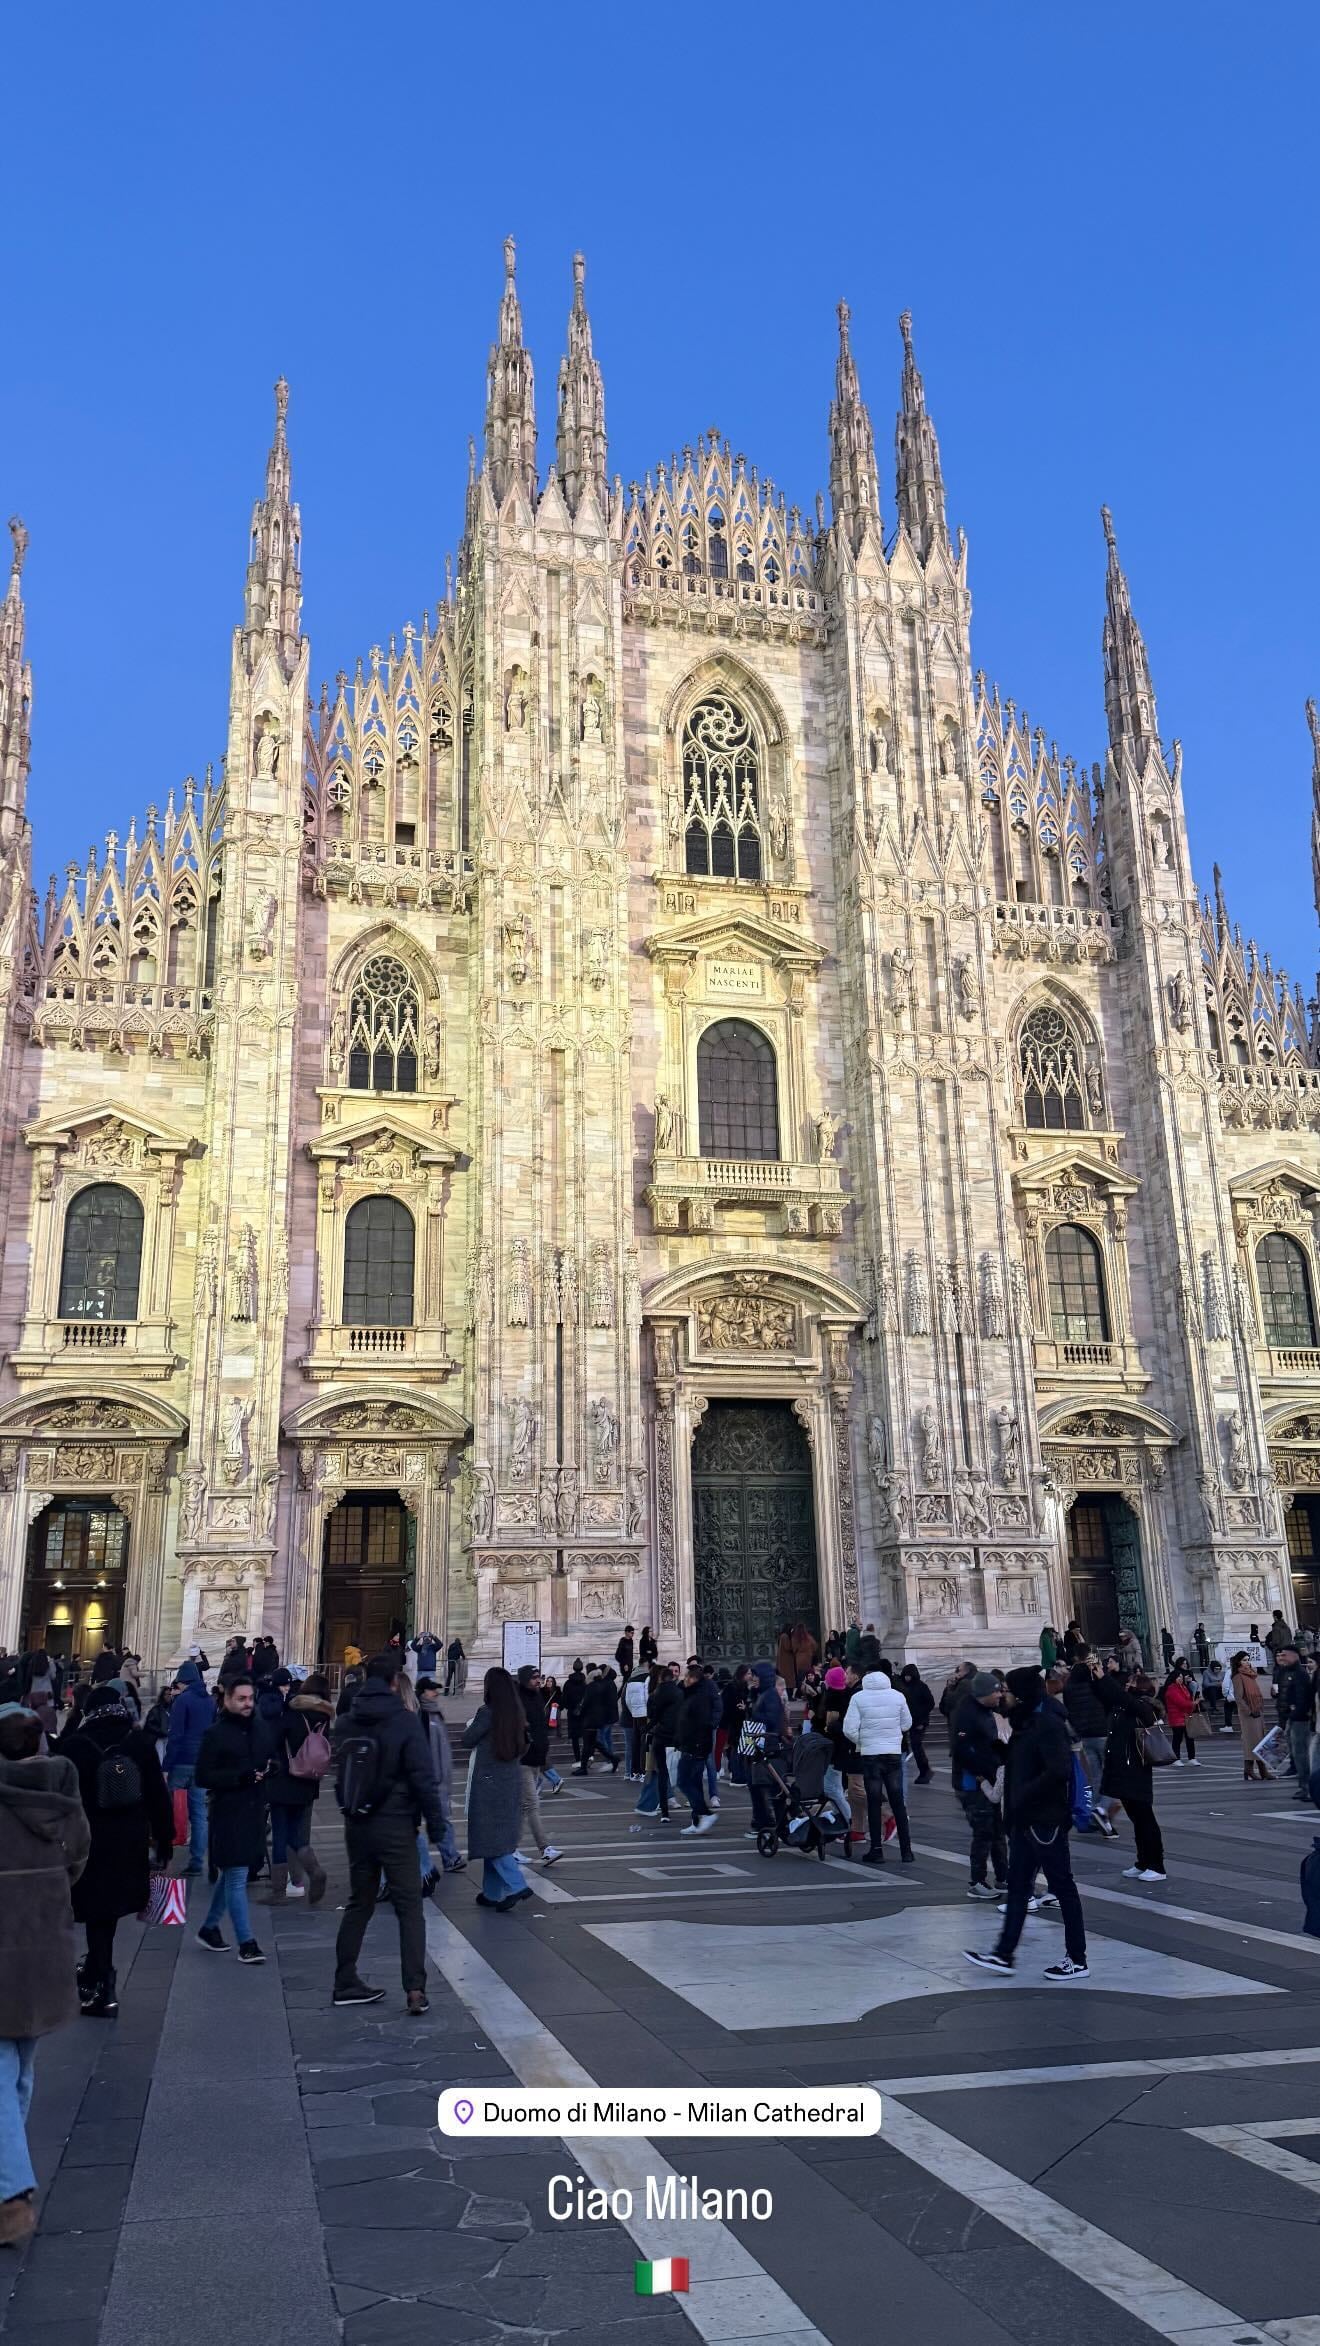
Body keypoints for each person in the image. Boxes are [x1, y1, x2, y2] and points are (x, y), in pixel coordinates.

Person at [0, 1702, 90, 2248]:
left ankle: (12, 2193)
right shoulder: (63, 1796)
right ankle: (10, 2175)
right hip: (45, 1948)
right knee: (21, 2066)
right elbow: (77, 1860)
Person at [332, 1652, 448, 2009]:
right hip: (397, 1824)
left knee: (359, 1903)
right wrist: (437, 1825)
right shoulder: (405, 1721)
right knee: (409, 1906)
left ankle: (345, 1981)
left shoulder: (348, 1721)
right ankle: (415, 1989)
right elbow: (422, 1777)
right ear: (395, 1682)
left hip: (358, 1823)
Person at [965, 1665, 1089, 1979]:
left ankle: (1077, 1959)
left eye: (1006, 1690)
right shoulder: (1026, 1723)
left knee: (1063, 1887)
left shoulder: (1047, 1723)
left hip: (1044, 1820)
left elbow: (1058, 1769)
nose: (1002, 1694)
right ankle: (1004, 1954)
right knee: (1019, 1889)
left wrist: (1023, 1793)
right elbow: (1027, 1762)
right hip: (1025, 1820)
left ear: (1020, 1694)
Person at [58, 1681, 172, 2016]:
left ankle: (103, 1986)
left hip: (89, 1840)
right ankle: (96, 1971)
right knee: (109, 1912)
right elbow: (157, 1795)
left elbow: (62, 1794)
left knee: (97, 1912)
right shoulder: (138, 1741)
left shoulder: (76, 1745)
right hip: (130, 1841)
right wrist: (165, 1840)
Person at [195, 1676, 274, 1961]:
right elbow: (203, 1775)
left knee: (232, 1873)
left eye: (250, 1698)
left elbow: (270, 1755)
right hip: (228, 1812)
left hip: (253, 1810)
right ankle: (247, 1943)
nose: (247, 1704)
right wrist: (238, 1777)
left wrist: (270, 1768)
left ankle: (209, 1927)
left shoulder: (259, 1728)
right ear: (227, 1699)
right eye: (241, 1699)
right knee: (237, 1875)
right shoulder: (215, 1734)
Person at [462, 1666, 532, 1912]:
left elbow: (467, 1740)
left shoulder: (487, 1713)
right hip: (510, 1780)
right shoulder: (516, 1713)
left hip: (488, 1783)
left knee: (491, 1838)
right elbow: (525, 1745)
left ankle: (517, 1885)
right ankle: (492, 1893)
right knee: (494, 1838)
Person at [264, 1671, 333, 1901]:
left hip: (284, 1779)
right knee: (297, 1834)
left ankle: (278, 1891)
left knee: (281, 1835)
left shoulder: (293, 1712)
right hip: (308, 1782)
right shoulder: (325, 1717)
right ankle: (314, 1870)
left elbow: (273, 1739)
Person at [842, 1667, 914, 1866]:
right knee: (897, 1800)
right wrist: (892, 1736)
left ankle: (876, 1849)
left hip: (870, 1754)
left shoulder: (858, 1698)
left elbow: (848, 1729)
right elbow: (907, 1723)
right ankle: (906, 1851)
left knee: (874, 1801)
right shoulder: (898, 1696)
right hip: (892, 1753)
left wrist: (863, 1741)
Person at [1101, 1672, 1167, 1880]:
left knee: (1145, 1817)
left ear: (1141, 1687)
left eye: (1131, 1682)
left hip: (1136, 1769)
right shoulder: (1125, 1706)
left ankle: (1156, 1866)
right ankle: (1143, 1861)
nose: (1127, 1685)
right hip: (1123, 1767)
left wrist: (1103, 1675)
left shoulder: (1143, 1707)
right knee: (1136, 1817)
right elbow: (1108, 1696)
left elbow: (1121, 1697)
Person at [949, 1671, 1008, 1898]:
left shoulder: (986, 1711)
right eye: (996, 1691)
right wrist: (983, 1772)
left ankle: (1003, 1877)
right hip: (972, 1783)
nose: (1000, 1695)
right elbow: (963, 1750)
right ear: (983, 1693)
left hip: (989, 1779)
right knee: (983, 1831)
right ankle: (978, 1881)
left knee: (997, 1831)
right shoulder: (966, 1714)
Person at [162, 1659, 214, 1874]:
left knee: (165, 1808)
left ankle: (163, 1854)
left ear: (183, 1681)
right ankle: (196, 1861)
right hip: (201, 1762)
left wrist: (166, 1765)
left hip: (182, 1761)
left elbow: (176, 1735)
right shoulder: (210, 1701)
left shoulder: (183, 1701)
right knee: (199, 1814)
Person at [415, 1677, 466, 1878]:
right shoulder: (423, 1715)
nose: (436, 1694)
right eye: (431, 1690)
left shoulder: (434, 1714)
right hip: (433, 1779)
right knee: (438, 1820)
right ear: (422, 1693)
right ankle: (443, 1859)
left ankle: (447, 1858)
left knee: (441, 1820)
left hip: (440, 1778)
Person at [1063, 1656, 1117, 1831]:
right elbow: (1110, 1700)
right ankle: (1099, 1808)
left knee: (1096, 1777)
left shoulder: (1069, 1689)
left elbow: (1068, 1712)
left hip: (1085, 1736)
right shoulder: (1094, 1686)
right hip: (1102, 1733)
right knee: (1113, 1775)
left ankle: (1092, 1817)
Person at [515, 1666, 562, 1865]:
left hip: (536, 1759)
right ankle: (545, 1848)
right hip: (524, 1760)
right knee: (532, 1805)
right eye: (534, 1678)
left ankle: (511, 1848)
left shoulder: (536, 1697)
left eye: (539, 1677)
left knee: (522, 1807)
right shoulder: (518, 1700)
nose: (538, 1681)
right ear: (525, 1679)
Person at [675, 1662, 717, 1834]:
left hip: (694, 1746)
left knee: (683, 1782)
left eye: (687, 1677)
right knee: (694, 1783)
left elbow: (699, 1724)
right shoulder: (690, 1694)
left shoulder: (698, 1698)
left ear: (694, 1679)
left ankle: (705, 1814)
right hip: (691, 1745)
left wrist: (695, 1745)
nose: (684, 1679)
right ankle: (697, 1820)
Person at [1272, 1645, 1315, 1799]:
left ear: (1294, 1656)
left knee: (1301, 1754)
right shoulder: (1284, 1672)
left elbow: (1303, 1698)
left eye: (1284, 1655)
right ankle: (1304, 1787)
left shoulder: (1300, 1674)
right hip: (1290, 1717)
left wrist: (1296, 1713)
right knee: (1297, 1754)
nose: (1281, 1658)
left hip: (1299, 1719)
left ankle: (1309, 1788)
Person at [646, 1662, 682, 1823]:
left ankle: (665, 1812)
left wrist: (648, 1727)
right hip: (678, 1736)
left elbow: (653, 1715)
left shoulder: (656, 1694)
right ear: (672, 1678)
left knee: (661, 1772)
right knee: (683, 1769)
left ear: (661, 1678)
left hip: (660, 1735)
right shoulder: (680, 1693)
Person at [1231, 1651, 1270, 1780]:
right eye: (1244, 1660)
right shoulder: (1238, 1677)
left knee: (1259, 1741)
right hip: (1248, 1715)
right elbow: (1239, 1697)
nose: (1247, 1662)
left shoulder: (1251, 1675)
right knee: (1251, 1742)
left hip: (1257, 1712)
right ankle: (1251, 1769)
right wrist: (1249, 1711)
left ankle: (1259, 1770)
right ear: (1238, 1662)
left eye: (1248, 1660)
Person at [575, 1665, 620, 1772]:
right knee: (594, 1742)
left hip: (590, 1719)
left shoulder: (591, 1687)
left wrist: (579, 1712)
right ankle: (613, 1759)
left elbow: (586, 1703)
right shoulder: (601, 1685)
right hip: (597, 1718)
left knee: (590, 1743)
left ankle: (583, 1768)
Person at [897, 1663, 934, 1784]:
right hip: (905, 1719)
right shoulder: (902, 1686)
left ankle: (925, 1770)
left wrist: (921, 1718)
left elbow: (930, 1703)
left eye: (910, 1676)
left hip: (918, 1721)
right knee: (909, 1745)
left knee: (916, 1745)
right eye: (906, 1675)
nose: (907, 1678)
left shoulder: (921, 1686)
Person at [1161, 1661, 1201, 1767]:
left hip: (1186, 1716)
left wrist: (1192, 1703)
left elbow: (1186, 1700)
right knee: (1177, 1738)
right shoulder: (1172, 1689)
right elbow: (1181, 1703)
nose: (1180, 1679)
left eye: (1181, 1677)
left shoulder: (1183, 1687)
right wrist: (1193, 1703)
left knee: (1190, 1737)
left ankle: (1192, 1758)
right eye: (1178, 1677)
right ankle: (1176, 1758)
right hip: (1177, 1717)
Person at [622, 1666, 650, 1780]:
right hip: (644, 1714)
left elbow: (626, 1700)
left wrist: (633, 1711)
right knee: (645, 1743)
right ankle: (644, 1771)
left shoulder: (629, 1681)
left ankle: (634, 1772)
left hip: (635, 1715)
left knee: (635, 1743)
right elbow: (647, 1696)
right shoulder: (646, 1678)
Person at [560, 1659, 588, 1765]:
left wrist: (565, 1707)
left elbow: (564, 1698)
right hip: (583, 1713)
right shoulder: (585, 1683)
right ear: (581, 1668)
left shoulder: (568, 1683)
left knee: (575, 1739)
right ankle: (586, 1759)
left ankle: (578, 1759)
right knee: (585, 1737)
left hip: (572, 1713)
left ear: (573, 1668)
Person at [336, 1645, 366, 1716]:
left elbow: (339, 1711)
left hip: (349, 1670)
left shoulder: (348, 1652)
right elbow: (357, 1664)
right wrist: (361, 1661)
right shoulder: (356, 1654)